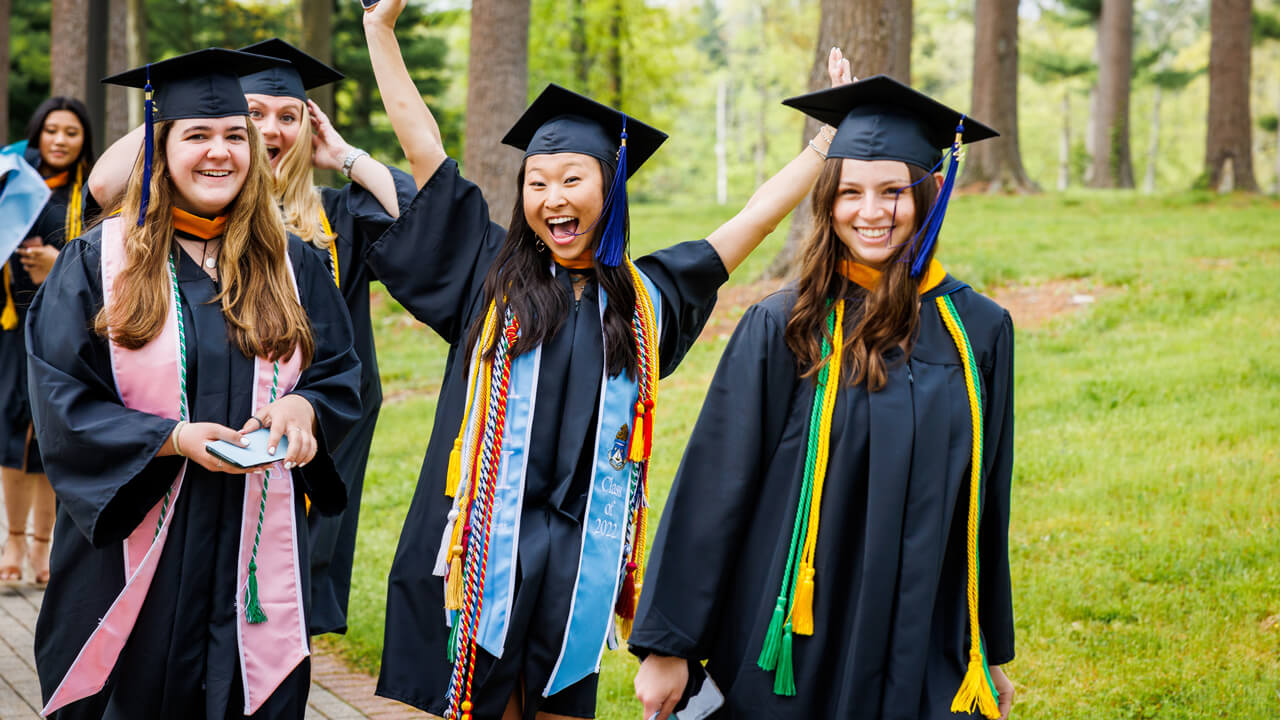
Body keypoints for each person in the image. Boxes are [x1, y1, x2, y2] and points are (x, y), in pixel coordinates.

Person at [360, 4, 849, 718]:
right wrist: (381, 33)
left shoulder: (647, 300)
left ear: (609, 186)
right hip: (484, 557)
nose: (551, 199)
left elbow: (751, 221)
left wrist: (822, 146)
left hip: (581, 562)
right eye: (537, 182)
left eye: (572, 180)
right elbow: (424, 151)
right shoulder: (488, 278)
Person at [630, 75, 1017, 720]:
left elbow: (984, 499)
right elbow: (715, 485)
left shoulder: (978, 328)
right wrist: (667, 646)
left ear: (928, 196)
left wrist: (986, 647)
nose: (872, 212)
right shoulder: (787, 325)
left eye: (894, 191)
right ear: (827, 203)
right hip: (800, 632)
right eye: (851, 193)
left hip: (923, 631)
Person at [28, 49, 361, 719]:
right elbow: (60, 394)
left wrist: (304, 405)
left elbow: (340, 373)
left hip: (254, 551)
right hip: (135, 548)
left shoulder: (292, 262)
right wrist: (171, 437)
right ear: (161, 148)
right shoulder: (101, 259)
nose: (221, 153)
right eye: (198, 135)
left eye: (235, 136)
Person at [88, 39, 414, 635]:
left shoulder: (336, 213)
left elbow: (425, 223)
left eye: (288, 116)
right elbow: (105, 187)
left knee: (290, 588)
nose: (271, 129)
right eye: (254, 115)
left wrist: (343, 154)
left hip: (309, 429)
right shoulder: (180, 213)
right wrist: (182, 114)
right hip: (198, 431)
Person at [0, 96, 96, 585]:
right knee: (11, 437)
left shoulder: (94, 194)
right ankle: (12, 538)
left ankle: (44, 547)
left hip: (65, 331)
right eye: (52, 130)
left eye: (71, 132)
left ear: (84, 141)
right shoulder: (11, 182)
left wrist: (57, 266)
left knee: (49, 437)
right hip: (9, 330)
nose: (59, 140)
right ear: (36, 134)